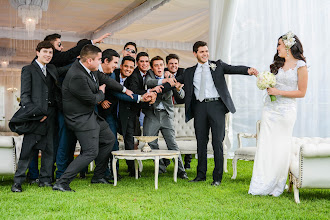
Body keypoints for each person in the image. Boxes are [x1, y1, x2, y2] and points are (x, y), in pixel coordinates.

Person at [53, 44, 133, 192]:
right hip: (80, 119)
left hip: (90, 116)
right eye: (99, 59)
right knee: (90, 152)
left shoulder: (90, 69)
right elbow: (93, 99)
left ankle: (98, 176)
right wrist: (102, 92)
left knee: (109, 139)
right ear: (89, 60)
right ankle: (62, 182)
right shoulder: (77, 75)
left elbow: (105, 79)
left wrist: (125, 89)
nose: (100, 62)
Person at [177, 41, 258, 186]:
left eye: (206, 51)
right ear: (195, 53)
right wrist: (160, 86)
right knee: (201, 142)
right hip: (200, 107)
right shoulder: (189, 72)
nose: (205, 54)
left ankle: (217, 178)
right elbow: (174, 82)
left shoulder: (217, 65)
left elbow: (233, 69)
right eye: (202, 52)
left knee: (217, 142)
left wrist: (248, 70)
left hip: (216, 106)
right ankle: (200, 175)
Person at [249, 31, 308, 196]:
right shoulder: (277, 64)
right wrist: (260, 78)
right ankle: (261, 182)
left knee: (281, 146)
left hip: (286, 111)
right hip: (270, 109)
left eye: (279, 45)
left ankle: (276, 184)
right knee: (266, 145)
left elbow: (302, 92)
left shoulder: (301, 66)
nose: (277, 48)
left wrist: (278, 92)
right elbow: (272, 84)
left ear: (288, 46)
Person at [10, 41, 67, 192]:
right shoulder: (28, 69)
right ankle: (17, 183)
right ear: (37, 52)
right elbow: (25, 97)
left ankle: (45, 180)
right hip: (35, 117)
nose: (48, 55)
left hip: (51, 115)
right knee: (27, 151)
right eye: (45, 52)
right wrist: (36, 114)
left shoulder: (52, 69)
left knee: (49, 149)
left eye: (50, 53)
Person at [97, 50, 154, 180]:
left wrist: (147, 97)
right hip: (108, 113)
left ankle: (126, 170)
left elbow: (132, 93)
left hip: (125, 115)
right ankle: (111, 172)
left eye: (131, 67)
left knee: (128, 142)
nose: (128, 69)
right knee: (112, 143)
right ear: (121, 66)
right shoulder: (113, 74)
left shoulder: (132, 79)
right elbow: (115, 91)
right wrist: (102, 100)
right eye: (126, 66)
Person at [144, 56, 188, 179]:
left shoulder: (170, 77)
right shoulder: (150, 76)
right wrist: (164, 81)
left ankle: (181, 171)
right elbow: (148, 83)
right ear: (152, 68)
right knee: (151, 143)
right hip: (152, 114)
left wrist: (178, 89)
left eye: (160, 65)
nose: (159, 67)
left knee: (172, 144)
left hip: (166, 115)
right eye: (156, 65)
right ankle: (161, 168)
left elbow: (182, 95)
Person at [165, 53, 193, 169]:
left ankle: (187, 161)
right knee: (171, 133)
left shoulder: (184, 73)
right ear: (167, 64)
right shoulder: (163, 72)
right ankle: (166, 160)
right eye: (171, 63)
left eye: (176, 63)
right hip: (169, 107)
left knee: (185, 133)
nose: (174, 66)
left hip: (182, 106)